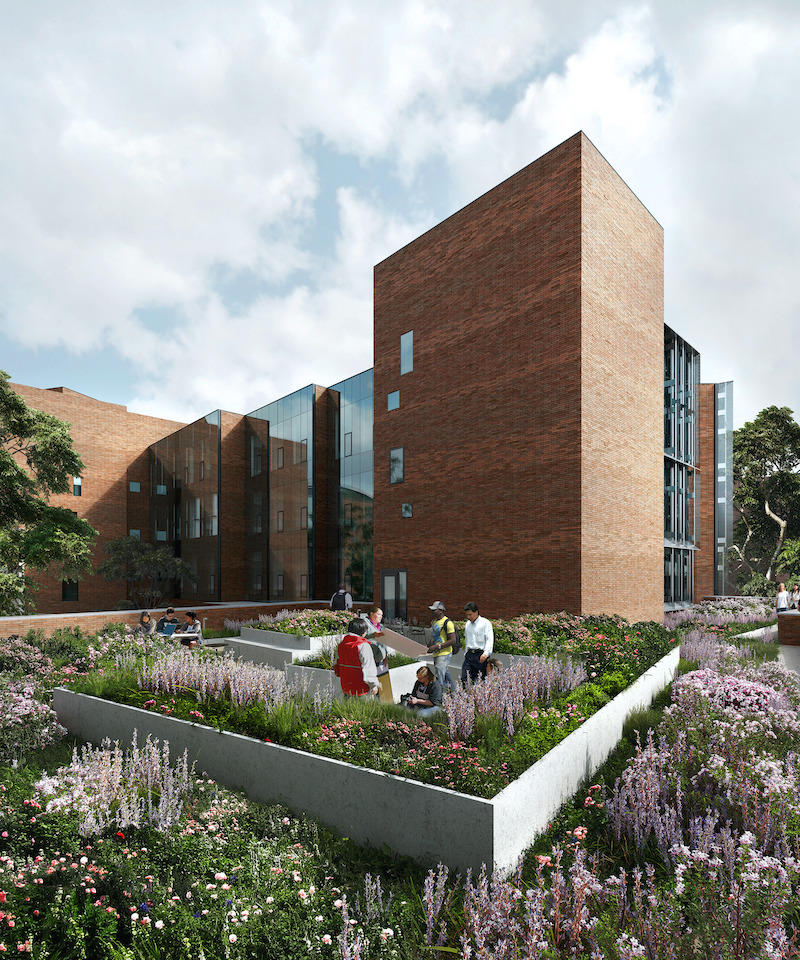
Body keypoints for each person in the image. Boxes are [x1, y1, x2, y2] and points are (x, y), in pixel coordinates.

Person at [333, 618, 379, 697]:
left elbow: (337, 664)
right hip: (362, 688)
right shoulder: (363, 645)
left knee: (347, 708)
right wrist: (374, 685)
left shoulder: (341, 645)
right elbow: (369, 668)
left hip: (346, 686)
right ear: (363, 632)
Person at [362, 606, 392, 701]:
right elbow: (361, 636)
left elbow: (384, 642)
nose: (380, 617)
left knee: (380, 678)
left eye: (382, 615)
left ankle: (380, 699)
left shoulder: (381, 626)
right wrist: (373, 635)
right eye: (378, 614)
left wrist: (386, 655)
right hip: (370, 657)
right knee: (371, 678)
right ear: (371, 614)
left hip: (380, 657)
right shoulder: (364, 623)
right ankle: (372, 699)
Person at [427, 601, 456, 691]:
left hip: (444, 654)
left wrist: (436, 647)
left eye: (434, 610)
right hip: (436, 653)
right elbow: (434, 636)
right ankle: (453, 695)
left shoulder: (447, 623)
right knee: (446, 676)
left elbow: (453, 640)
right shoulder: (434, 622)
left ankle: (440, 699)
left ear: (441, 611)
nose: (432, 612)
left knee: (440, 679)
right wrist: (428, 646)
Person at [462, 601, 494, 683]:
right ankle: (466, 695)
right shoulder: (467, 625)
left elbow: (489, 639)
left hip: (480, 655)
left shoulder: (485, 623)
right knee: (465, 679)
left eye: (470, 614)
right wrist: (466, 653)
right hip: (469, 655)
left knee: (481, 680)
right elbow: (467, 640)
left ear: (476, 612)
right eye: (467, 615)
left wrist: (486, 654)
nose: (468, 617)